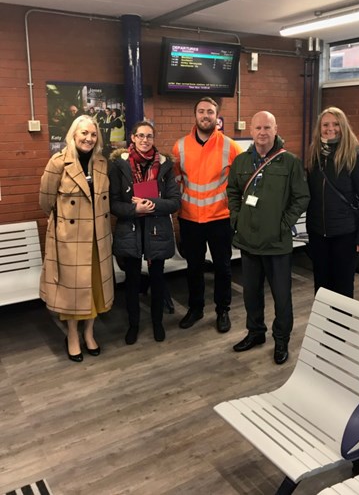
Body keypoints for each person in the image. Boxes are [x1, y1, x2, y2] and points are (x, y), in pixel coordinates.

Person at [227, 111, 310, 365]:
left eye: (267, 127)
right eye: (258, 128)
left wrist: (284, 224)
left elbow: (301, 197)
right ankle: (255, 333)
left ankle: (281, 340)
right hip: (249, 242)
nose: (262, 132)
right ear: (251, 131)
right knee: (251, 294)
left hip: (277, 244)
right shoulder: (241, 162)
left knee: (282, 297)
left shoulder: (290, 163)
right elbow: (232, 192)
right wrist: (237, 219)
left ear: (276, 129)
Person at [39, 115, 114, 362]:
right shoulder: (58, 163)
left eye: (93, 134)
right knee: (73, 291)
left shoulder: (102, 163)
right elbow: (45, 202)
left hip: (98, 238)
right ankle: (72, 336)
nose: (89, 138)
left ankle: (90, 333)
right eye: (84, 133)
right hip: (70, 241)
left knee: (94, 288)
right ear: (73, 134)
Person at [172, 97, 243, 333]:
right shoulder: (179, 146)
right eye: (201, 111)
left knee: (223, 267)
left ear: (217, 116)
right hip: (190, 218)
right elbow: (176, 182)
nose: (205, 115)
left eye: (210, 112)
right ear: (195, 115)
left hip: (220, 218)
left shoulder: (231, 147)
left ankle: (223, 310)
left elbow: (240, 182)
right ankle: (196, 308)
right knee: (193, 267)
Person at [109, 121, 181, 345]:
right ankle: (134, 325)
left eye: (149, 136)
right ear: (132, 138)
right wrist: (134, 209)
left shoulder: (166, 165)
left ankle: (158, 323)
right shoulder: (118, 166)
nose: (145, 140)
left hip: (156, 229)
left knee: (158, 280)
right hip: (129, 230)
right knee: (132, 282)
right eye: (140, 135)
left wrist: (149, 204)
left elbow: (174, 202)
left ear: (154, 138)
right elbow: (113, 203)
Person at [306, 106, 359, 298]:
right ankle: (324, 325)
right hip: (318, 233)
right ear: (319, 128)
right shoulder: (315, 155)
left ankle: (341, 326)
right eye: (326, 124)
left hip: (345, 234)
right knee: (321, 285)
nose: (331, 128)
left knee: (343, 286)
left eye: (336, 124)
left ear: (343, 126)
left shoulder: (355, 157)